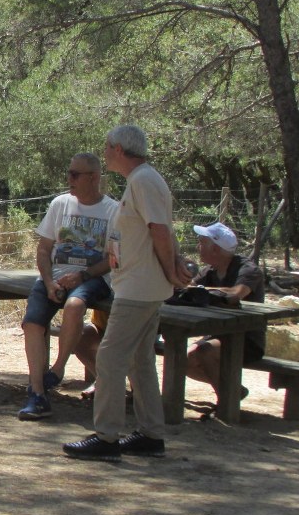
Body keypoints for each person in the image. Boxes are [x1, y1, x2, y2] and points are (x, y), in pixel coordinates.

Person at [63, 125, 192, 461]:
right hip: (139, 284)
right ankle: (151, 434)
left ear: (119, 149)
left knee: (110, 357)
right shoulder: (141, 181)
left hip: (139, 287)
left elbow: (160, 231)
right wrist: (169, 271)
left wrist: (168, 270)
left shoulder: (144, 180)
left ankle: (106, 438)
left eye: (107, 147)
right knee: (140, 360)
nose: (104, 152)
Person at [17, 153, 118, 420]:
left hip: (93, 279)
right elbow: (43, 249)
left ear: (94, 178)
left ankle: (58, 368)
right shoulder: (59, 204)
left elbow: (112, 258)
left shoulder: (113, 210)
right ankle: (37, 393)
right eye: (69, 173)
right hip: (54, 276)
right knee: (32, 323)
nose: (69, 179)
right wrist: (49, 281)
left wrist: (83, 276)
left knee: (75, 305)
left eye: (75, 174)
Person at [185, 222, 265, 399]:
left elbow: (237, 294)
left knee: (203, 352)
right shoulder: (209, 271)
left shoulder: (248, 269)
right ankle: (233, 390)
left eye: (202, 243)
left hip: (246, 339)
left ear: (215, 249)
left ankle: (227, 402)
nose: (199, 247)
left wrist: (201, 291)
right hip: (218, 335)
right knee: (184, 360)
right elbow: (187, 289)